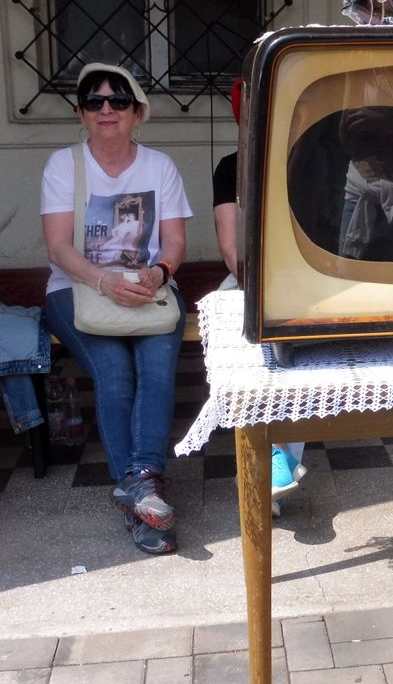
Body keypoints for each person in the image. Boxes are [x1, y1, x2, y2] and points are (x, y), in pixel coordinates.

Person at [41, 63, 192, 555]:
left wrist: (160, 272)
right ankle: (144, 492)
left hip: (148, 288)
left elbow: (174, 242)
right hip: (76, 288)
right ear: (81, 112)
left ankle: (140, 485)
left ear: (136, 112)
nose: (106, 109)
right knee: (115, 372)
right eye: (94, 100)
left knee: (157, 369)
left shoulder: (159, 166)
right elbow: (59, 247)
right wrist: (103, 279)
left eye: (118, 100)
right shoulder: (63, 165)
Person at [212, 79, 306, 515]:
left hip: (305, 282)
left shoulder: (309, 159)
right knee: (242, 334)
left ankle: (276, 460)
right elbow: (234, 255)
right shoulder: (230, 168)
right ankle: (271, 457)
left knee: (300, 360)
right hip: (251, 284)